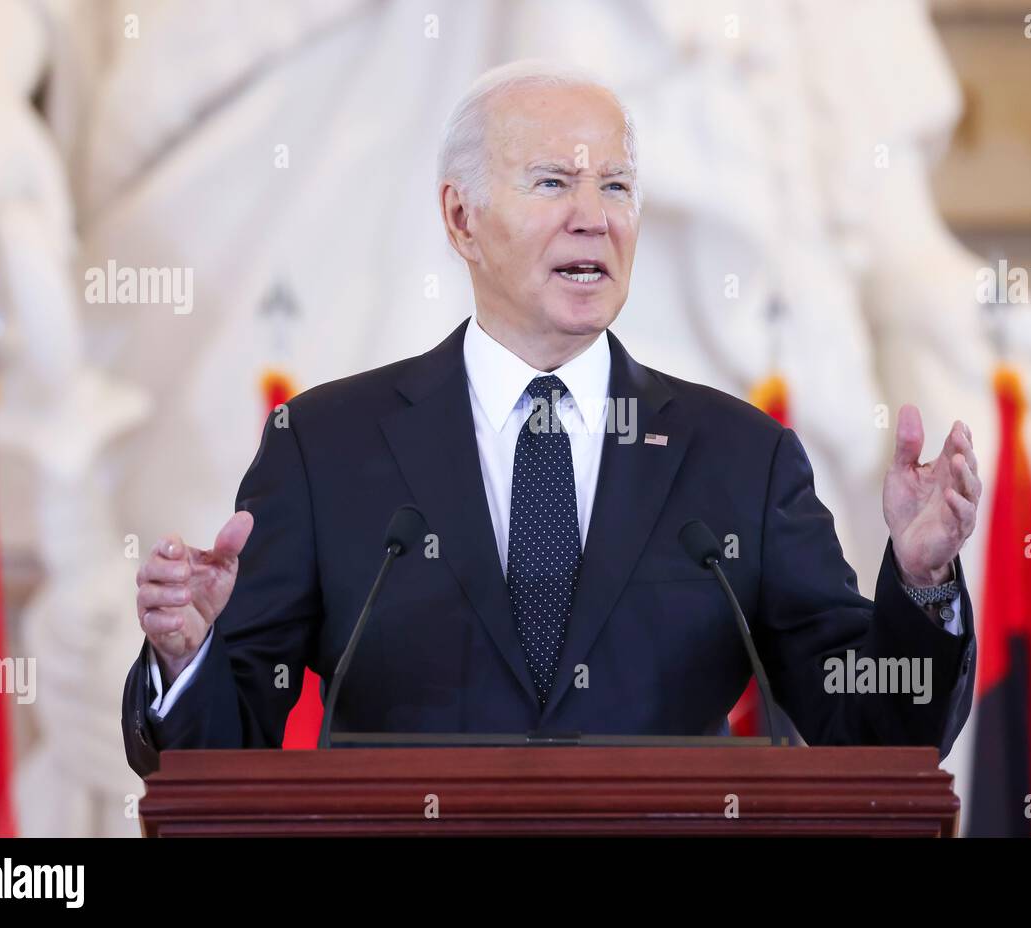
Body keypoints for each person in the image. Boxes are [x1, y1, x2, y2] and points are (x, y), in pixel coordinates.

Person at [122, 61, 982, 777]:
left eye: (616, 185)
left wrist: (921, 585)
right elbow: (221, 765)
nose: (594, 216)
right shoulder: (324, 449)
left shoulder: (739, 458)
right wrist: (186, 657)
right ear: (462, 217)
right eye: (553, 183)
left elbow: (873, 739)